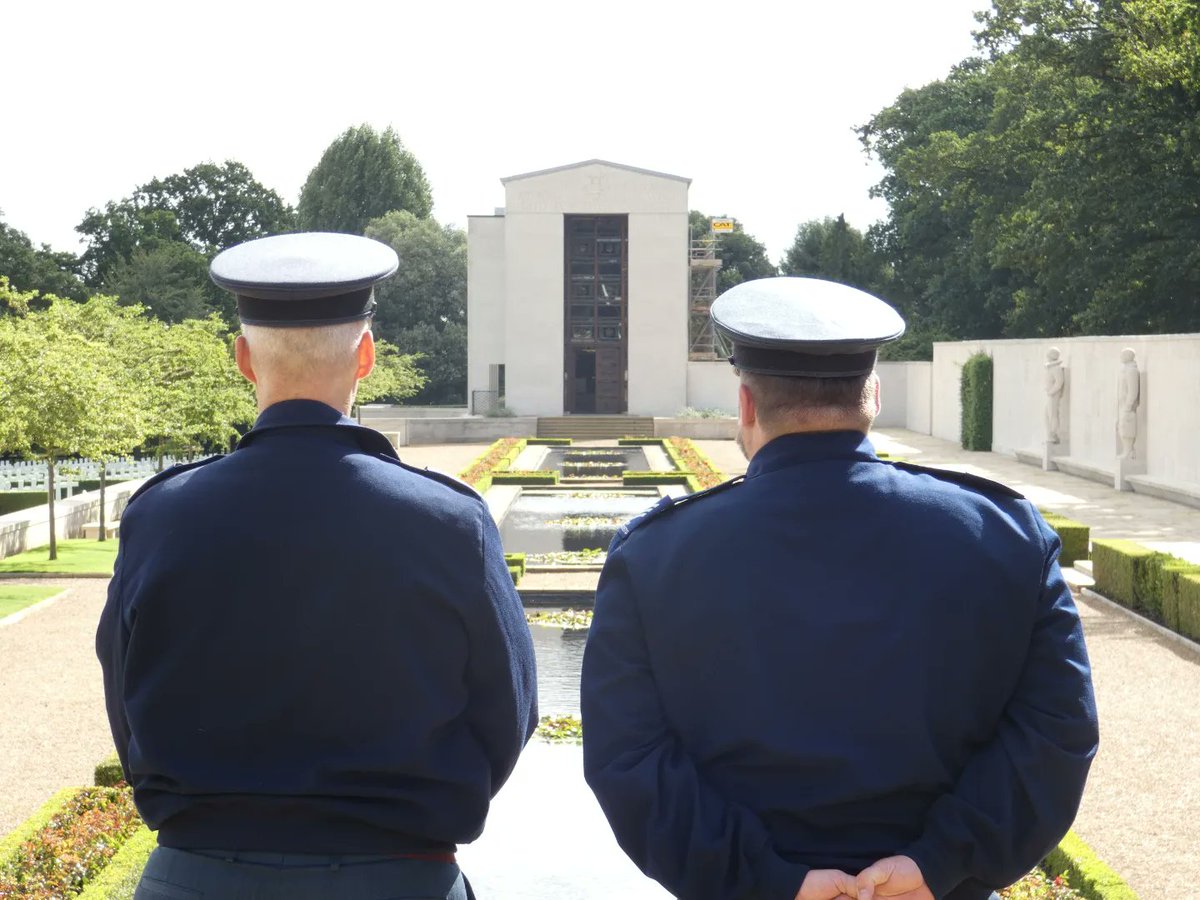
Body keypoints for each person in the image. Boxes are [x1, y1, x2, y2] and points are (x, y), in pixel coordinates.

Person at [581, 276, 1098, 900]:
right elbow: (1057, 732)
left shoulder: (654, 555)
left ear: (746, 403)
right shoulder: (1004, 535)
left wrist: (770, 881)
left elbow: (628, 759)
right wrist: (940, 861)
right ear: (873, 394)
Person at [97, 232, 537, 899]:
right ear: (367, 355)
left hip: (195, 874)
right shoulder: (448, 520)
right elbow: (509, 712)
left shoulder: (159, 514)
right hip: (399, 875)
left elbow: (124, 696)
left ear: (243, 359)